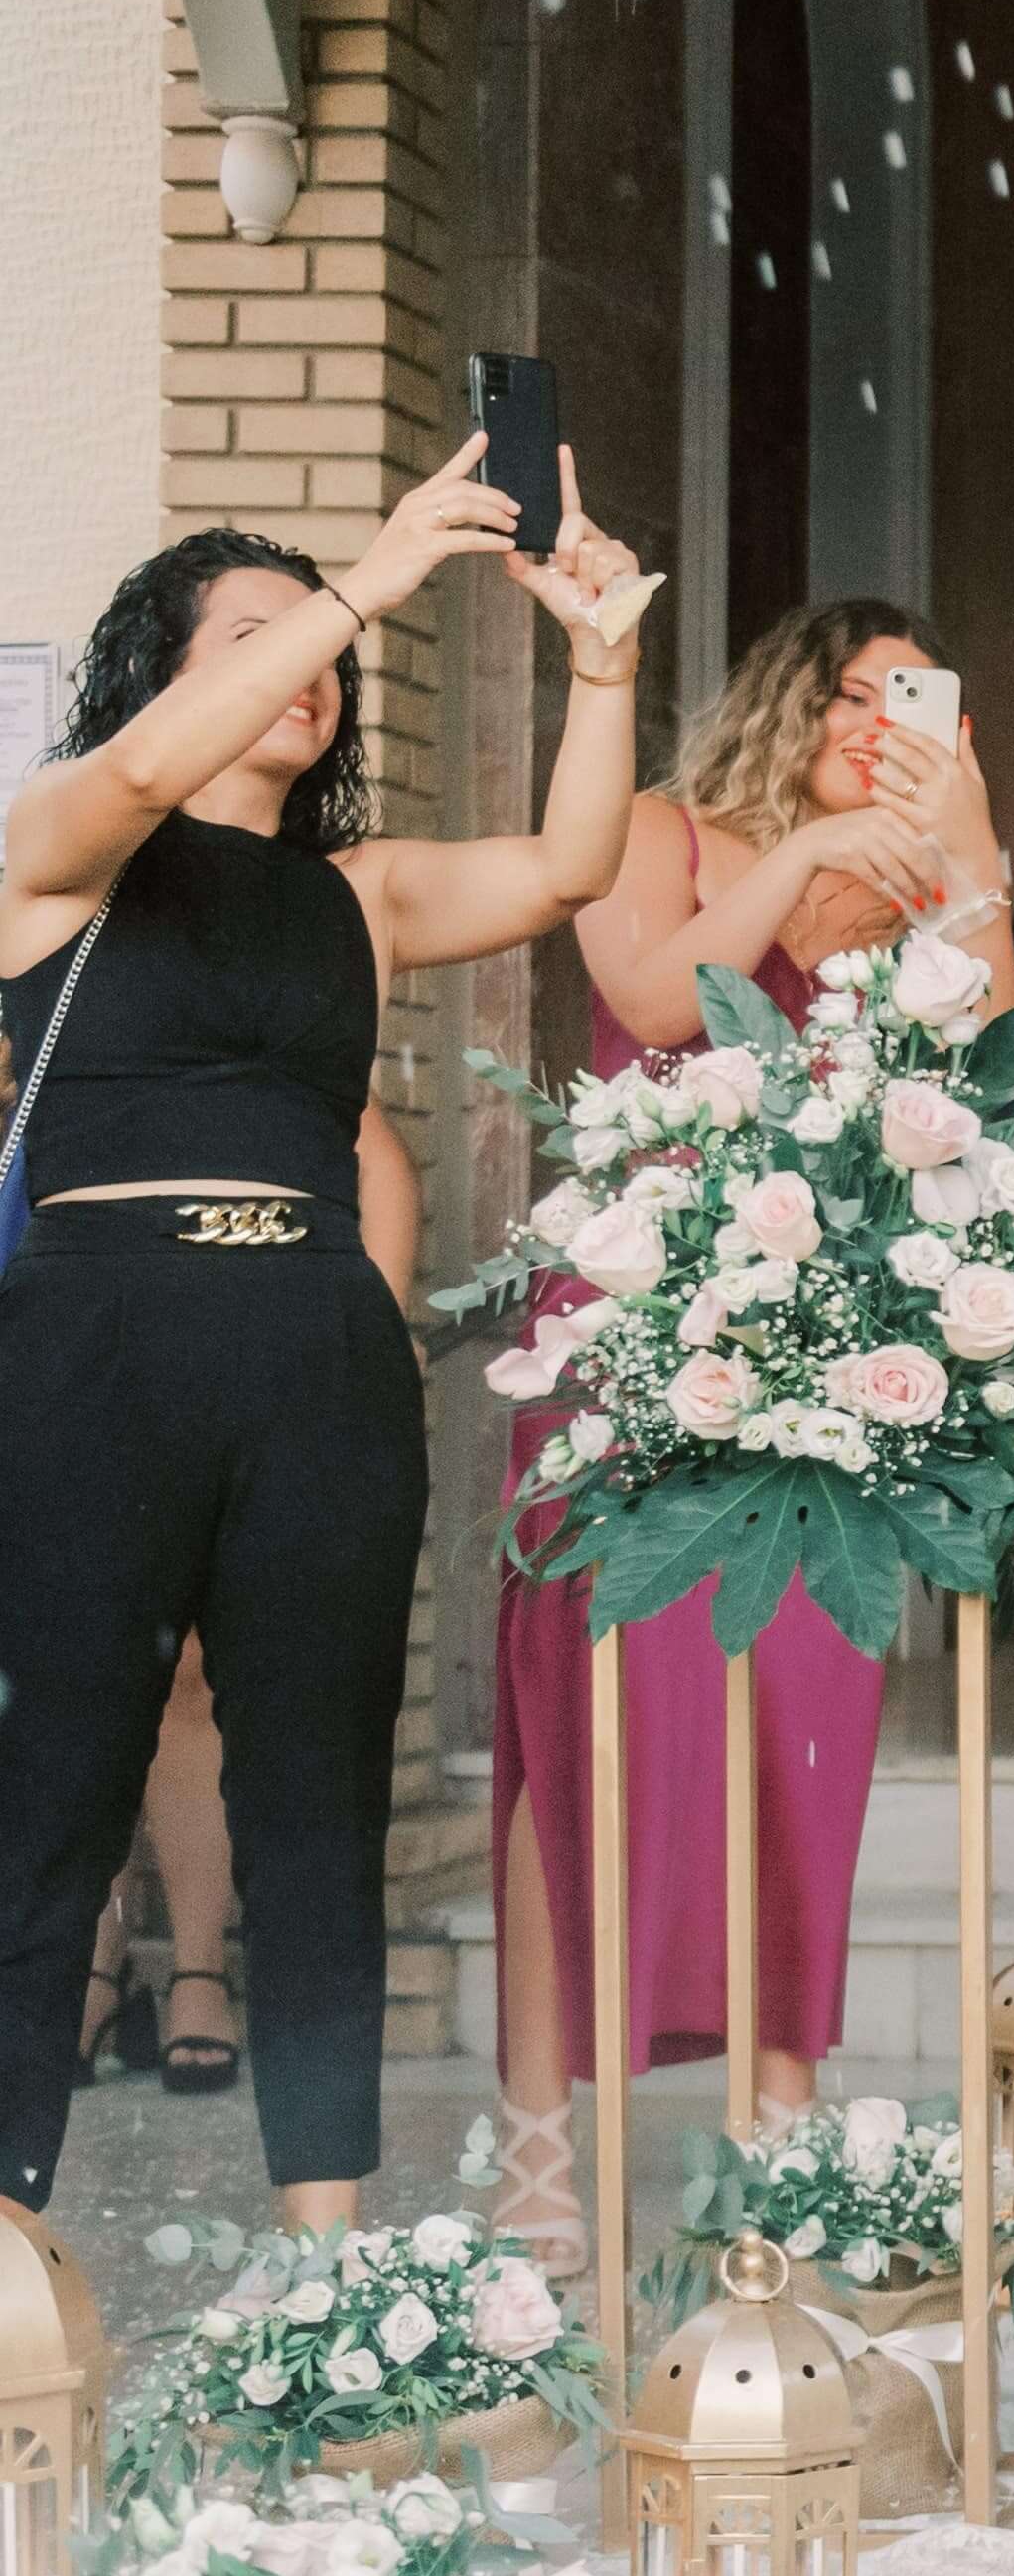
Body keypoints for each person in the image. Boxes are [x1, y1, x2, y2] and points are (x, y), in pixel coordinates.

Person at [0, 443, 647, 2228]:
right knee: (50, 1799)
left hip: (313, 1347)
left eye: (326, 650)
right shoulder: (62, 841)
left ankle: (331, 2263)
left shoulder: (358, 889)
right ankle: (8, 2258)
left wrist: (601, 662)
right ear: (169, 673)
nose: (316, 666)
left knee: (317, 1807)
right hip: (95, 1341)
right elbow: (147, 771)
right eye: (258, 638)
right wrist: (363, 578)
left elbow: (571, 866)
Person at [481, 601, 1006, 2268]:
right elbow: (655, 990)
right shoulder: (661, 830)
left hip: (824, 1346)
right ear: (790, 701)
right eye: (853, 696)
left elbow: (989, 1051)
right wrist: (807, 854)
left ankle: (776, 2124)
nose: (876, 729)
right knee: (584, 1726)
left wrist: (967, 838)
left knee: (799, 1736)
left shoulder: (916, 882)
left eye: (911, 704)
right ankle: (540, 2141)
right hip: (633, 1327)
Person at [81, 1109, 422, 2095]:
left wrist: (362, 1345)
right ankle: (87, 1965)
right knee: (61, 1671)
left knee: (181, 1661)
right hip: (49, 1291)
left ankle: (195, 1968)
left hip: (176, 1328)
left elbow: (372, 1152)